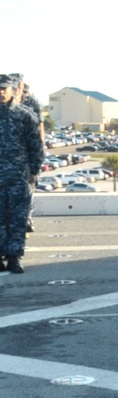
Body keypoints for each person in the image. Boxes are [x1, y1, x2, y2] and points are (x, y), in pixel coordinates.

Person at [0, 72, 43, 273]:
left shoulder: (24, 115)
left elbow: (35, 144)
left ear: (12, 91)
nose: (1, 93)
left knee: (18, 217)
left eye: (3, 89)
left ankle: (14, 257)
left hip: (17, 176)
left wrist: (34, 169)